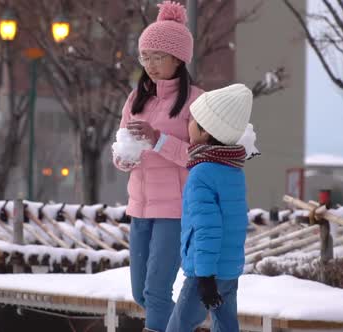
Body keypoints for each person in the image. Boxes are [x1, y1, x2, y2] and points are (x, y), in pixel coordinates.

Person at [112, 2, 204, 331]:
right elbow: (122, 149)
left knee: (156, 291)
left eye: (158, 57)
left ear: (179, 58)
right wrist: (123, 156)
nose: (150, 64)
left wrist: (159, 139)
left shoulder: (197, 101)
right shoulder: (136, 98)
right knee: (142, 293)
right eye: (145, 56)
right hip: (139, 206)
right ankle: (188, 322)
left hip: (175, 210)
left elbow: (200, 158)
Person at [166, 84, 253, 332]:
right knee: (225, 325)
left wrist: (204, 277)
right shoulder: (233, 170)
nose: (188, 124)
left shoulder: (202, 173)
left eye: (193, 120)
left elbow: (207, 228)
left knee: (179, 326)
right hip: (229, 269)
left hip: (205, 272)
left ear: (205, 132)